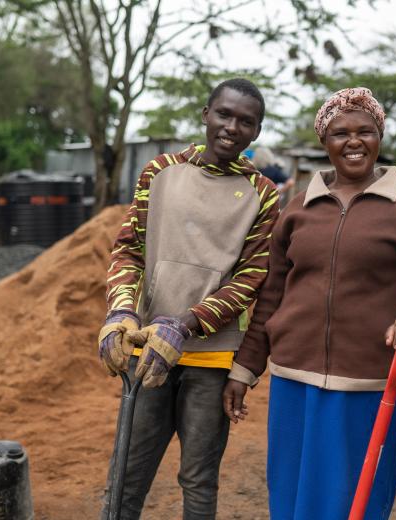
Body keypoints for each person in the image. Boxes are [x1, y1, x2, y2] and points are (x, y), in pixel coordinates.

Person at [222, 87, 396, 520]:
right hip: (294, 381)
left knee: (359, 497)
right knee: (294, 494)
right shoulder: (297, 210)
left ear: (380, 137)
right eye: (340, 133)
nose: (354, 142)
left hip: (371, 382)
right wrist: (245, 369)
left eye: (365, 131)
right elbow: (271, 295)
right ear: (325, 142)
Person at [96, 78, 280, 520]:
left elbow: (250, 279)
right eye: (224, 114)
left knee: (198, 480)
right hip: (146, 350)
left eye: (245, 122)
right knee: (126, 473)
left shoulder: (264, 194)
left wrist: (185, 324)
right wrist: (121, 309)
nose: (231, 127)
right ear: (205, 114)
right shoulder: (160, 171)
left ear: (255, 132)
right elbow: (129, 249)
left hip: (212, 360)